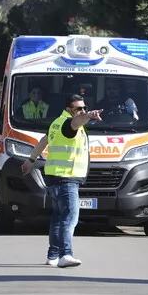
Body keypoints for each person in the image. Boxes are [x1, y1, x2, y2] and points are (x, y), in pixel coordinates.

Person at [22, 94, 102, 268]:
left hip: (55, 177)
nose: (82, 111)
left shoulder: (56, 123)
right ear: (69, 109)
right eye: (78, 109)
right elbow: (76, 122)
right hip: (67, 178)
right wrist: (88, 116)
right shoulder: (68, 123)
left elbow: (44, 140)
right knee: (70, 217)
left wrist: (31, 160)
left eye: (85, 108)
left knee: (58, 219)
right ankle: (66, 254)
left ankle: (53, 255)